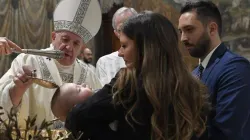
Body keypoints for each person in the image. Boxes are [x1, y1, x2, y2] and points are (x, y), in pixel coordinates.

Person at [52, 12, 210, 140]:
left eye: (124, 46)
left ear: (145, 48)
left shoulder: (128, 83)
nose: (119, 53)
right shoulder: (193, 86)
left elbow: (76, 118)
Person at [0, 0, 102, 128]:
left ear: (82, 47)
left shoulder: (89, 75)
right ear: (53, 37)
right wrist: (18, 90)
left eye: (76, 43)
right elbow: (2, 106)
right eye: (65, 39)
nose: (69, 47)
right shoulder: (27, 60)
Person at [178, 1, 250, 139]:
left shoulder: (235, 68)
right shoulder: (195, 73)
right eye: (181, 32)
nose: (183, 38)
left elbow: (228, 132)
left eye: (189, 30)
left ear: (212, 29)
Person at [95, 7, 137, 86]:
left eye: (131, 27)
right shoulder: (104, 62)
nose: (127, 33)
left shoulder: (151, 58)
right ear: (116, 34)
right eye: (121, 29)